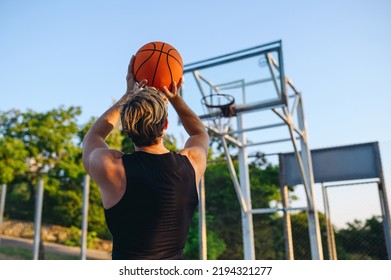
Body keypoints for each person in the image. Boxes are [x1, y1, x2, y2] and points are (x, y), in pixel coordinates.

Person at [82, 56, 209, 260]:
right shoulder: (191, 164)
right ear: (166, 124)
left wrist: (127, 96)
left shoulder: (111, 168)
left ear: (126, 127)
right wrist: (175, 98)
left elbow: (92, 138)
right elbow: (199, 133)